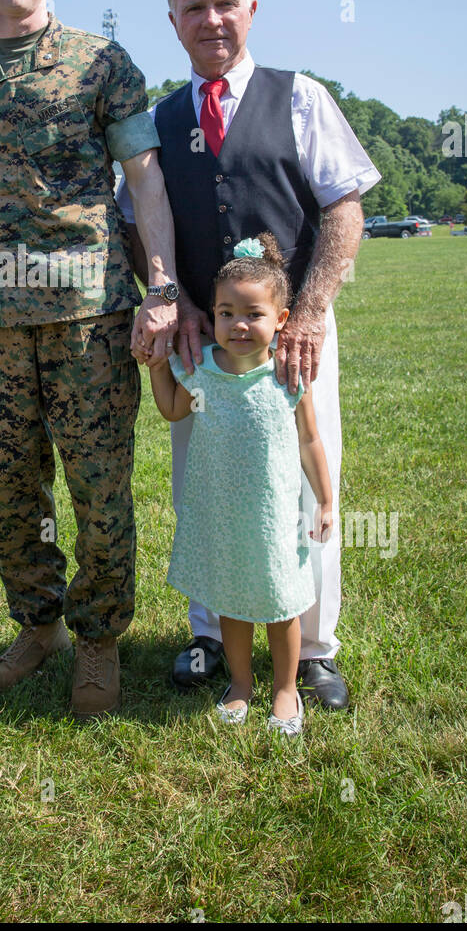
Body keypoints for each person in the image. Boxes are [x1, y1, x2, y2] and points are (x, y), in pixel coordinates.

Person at [118, 0, 380, 710]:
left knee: (300, 485)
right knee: (206, 487)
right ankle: (208, 635)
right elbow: (135, 223)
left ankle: (316, 646)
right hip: (205, 345)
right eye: (194, 8)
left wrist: (314, 308)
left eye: (224, 3)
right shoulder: (159, 120)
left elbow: (344, 207)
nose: (211, 19)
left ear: (252, 10)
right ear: (173, 23)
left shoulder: (300, 97)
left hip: (292, 341)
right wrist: (175, 300)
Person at [0, 0, 180, 718]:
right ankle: (38, 623)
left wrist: (161, 287)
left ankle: (100, 638)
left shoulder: (101, 63)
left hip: (90, 310)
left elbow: (145, 179)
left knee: (96, 483)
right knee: (10, 484)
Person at [150, 234, 333, 736]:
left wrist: (326, 499)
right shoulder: (204, 371)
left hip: (274, 518)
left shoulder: (287, 377)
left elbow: (311, 441)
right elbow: (170, 409)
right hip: (221, 515)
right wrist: (156, 363)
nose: (238, 325)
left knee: (280, 603)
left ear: (281, 320)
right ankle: (240, 684)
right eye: (226, 313)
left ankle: (286, 688)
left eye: (253, 314)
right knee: (231, 603)